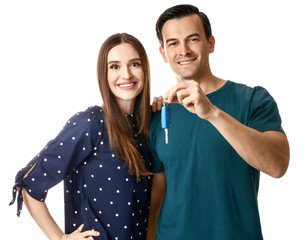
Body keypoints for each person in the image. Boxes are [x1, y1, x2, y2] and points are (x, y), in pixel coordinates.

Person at [147, 4, 290, 240]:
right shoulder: (158, 114)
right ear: (163, 53)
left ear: (210, 43)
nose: (183, 50)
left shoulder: (252, 100)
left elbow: (278, 165)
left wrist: (213, 113)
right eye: (173, 43)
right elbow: (156, 200)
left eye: (193, 39)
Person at [10, 33, 154, 240]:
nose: (126, 74)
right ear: (102, 74)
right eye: (114, 66)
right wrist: (61, 238)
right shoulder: (91, 123)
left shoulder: (148, 125)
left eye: (134, 64)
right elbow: (30, 183)